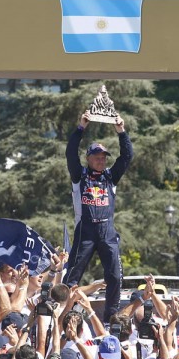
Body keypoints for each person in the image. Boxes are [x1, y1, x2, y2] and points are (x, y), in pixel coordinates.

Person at [63, 111, 133, 323]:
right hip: (85, 231)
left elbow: (127, 157)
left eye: (104, 158)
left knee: (115, 276)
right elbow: (70, 153)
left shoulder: (110, 177)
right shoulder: (80, 175)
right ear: (89, 159)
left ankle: (111, 318)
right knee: (72, 276)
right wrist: (80, 128)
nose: (101, 161)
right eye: (97, 157)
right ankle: (63, 311)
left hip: (107, 231)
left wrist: (121, 131)